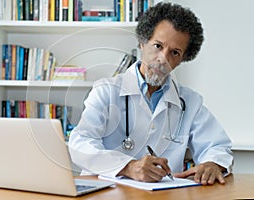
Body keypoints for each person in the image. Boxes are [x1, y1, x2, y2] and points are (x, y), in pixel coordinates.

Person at [68, 2, 233, 185]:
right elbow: (81, 144)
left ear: (183, 58)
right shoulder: (106, 91)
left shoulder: (189, 102)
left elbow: (217, 145)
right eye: (158, 46)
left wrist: (213, 163)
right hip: (107, 192)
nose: (163, 58)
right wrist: (128, 167)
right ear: (142, 42)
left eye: (175, 52)